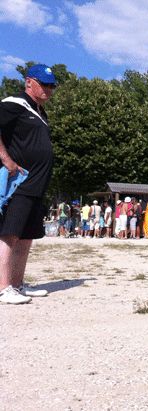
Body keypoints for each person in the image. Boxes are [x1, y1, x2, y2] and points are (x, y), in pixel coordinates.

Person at [0, 64, 57, 304]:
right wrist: (6, 158)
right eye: (44, 84)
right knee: (9, 233)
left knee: (26, 236)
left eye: (52, 85)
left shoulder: (39, 112)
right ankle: (3, 288)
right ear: (29, 82)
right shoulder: (15, 103)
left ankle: (17, 284)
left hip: (37, 184)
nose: (48, 90)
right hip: (19, 182)